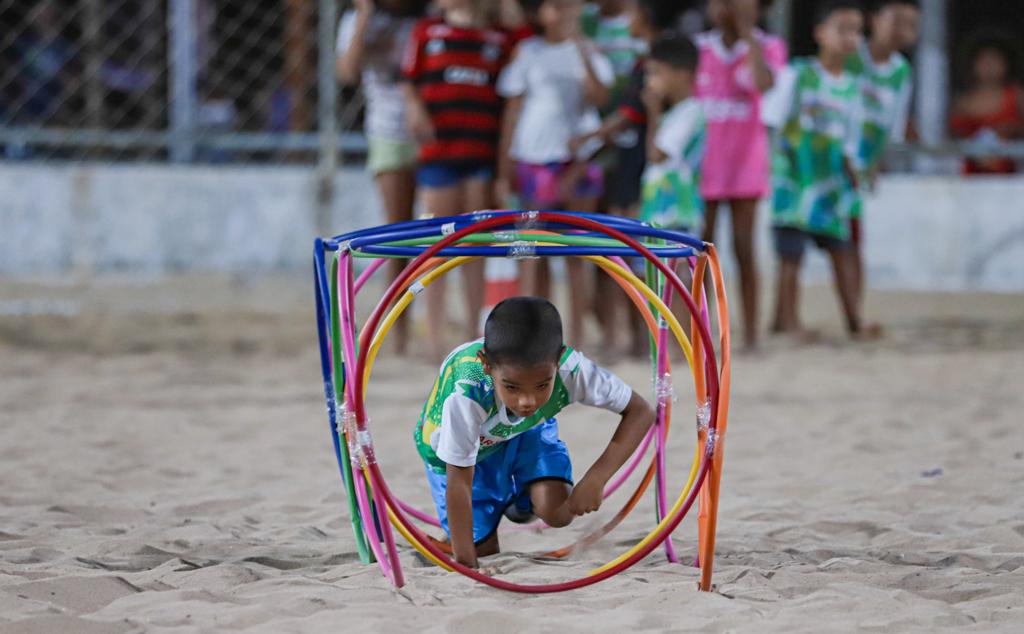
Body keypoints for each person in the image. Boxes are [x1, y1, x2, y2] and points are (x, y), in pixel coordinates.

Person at [415, 296, 655, 567]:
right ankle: (498, 506)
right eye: (512, 387)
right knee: (481, 550)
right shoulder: (465, 393)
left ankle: (519, 501)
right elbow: (459, 480)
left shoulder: (572, 370)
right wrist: (467, 565)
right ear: (486, 365)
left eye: (542, 385)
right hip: (460, 452)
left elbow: (641, 412)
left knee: (560, 513)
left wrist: (597, 478)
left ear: (558, 359)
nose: (527, 401)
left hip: (525, 431)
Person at [570, 0, 689, 358]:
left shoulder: (652, 67)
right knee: (625, 256)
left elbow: (627, 116)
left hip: (639, 167)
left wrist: (588, 140)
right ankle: (628, 337)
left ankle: (635, 339)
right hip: (629, 163)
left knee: (631, 256)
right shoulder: (653, 64)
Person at [496, 0, 614, 347]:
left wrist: (581, 51)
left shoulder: (589, 52)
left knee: (577, 253)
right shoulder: (527, 52)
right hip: (534, 157)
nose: (563, 14)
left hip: (577, 159)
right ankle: (528, 334)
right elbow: (512, 111)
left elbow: (600, 98)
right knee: (531, 250)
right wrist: (504, 169)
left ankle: (576, 334)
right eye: (556, 6)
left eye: (569, 7)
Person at [401, 0, 512, 360]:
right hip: (439, 151)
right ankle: (434, 337)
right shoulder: (427, 31)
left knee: (474, 246)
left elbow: (525, 32)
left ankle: (472, 335)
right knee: (436, 246)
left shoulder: (499, 37)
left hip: (480, 151)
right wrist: (415, 111)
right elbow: (408, 81)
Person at [763, 0, 878, 340]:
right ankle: (785, 320)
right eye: (842, 29)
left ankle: (854, 319)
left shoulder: (855, 87)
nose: (850, 38)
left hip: (832, 185)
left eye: (857, 31)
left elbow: (851, 138)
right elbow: (772, 121)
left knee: (843, 250)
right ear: (820, 34)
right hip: (795, 182)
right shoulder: (796, 74)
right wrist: (780, 166)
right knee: (791, 255)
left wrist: (854, 170)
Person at [696, 0, 787, 352]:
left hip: (746, 163)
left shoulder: (769, 47)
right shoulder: (700, 48)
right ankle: (702, 329)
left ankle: (749, 332)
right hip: (702, 165)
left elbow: (764, 84)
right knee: (699, 251)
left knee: (744, 247)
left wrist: (749, 35)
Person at [338, 0, 426, 355]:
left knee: (440, 240)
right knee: (398, 236)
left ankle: (435, 329)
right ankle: (398, 330)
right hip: (388, 133)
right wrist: (364, 16)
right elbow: (347, 71)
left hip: (436, 135)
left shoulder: (428, 18)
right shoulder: (357, 20)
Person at [845, 0, 919, 304]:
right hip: (828, 162)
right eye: (896, 20)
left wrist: (876, 162)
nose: (903, 30)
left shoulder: (902, 72)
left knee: (852, 238)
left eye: (912, 24)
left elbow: (893, 126)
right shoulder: (851, 55)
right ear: (874, 20)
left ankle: (855, 310)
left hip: (860, 166)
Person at [949, 30, 1024, 175]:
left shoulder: (1017, 96)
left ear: (1006, 64)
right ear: (973, 65)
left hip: (1008, 177)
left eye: (994, 61)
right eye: (984, 62)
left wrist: (1012, 130)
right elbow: (953, 141)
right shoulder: (962, 102)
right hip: (970, 176)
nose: (989, 67)